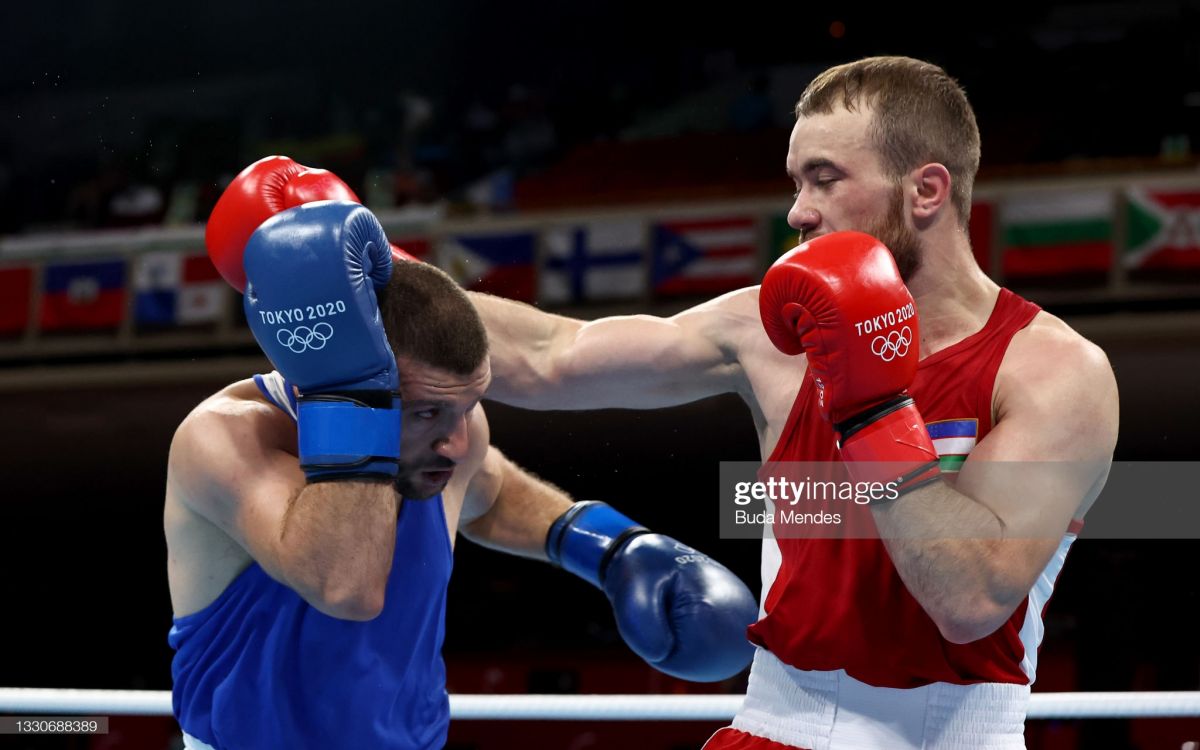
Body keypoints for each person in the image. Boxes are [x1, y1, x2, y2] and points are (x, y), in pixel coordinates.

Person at [469, 56, 1119, 749]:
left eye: (825, 179)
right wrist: (379, 277)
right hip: (772, 728)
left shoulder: (1054, 371)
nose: (798, 211)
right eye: (796, 181)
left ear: (926, 190)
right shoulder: (771, 332)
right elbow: (548, 357)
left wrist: (872, 410)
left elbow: (969, 599)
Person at [164, 171, 758, 749]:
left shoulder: (451, 424)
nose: (455, 440)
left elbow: (491, 492)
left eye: (467, 407)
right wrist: (351, 390)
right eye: (425, 414)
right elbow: (346, 586)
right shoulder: (227, 440)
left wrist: (608, 547)